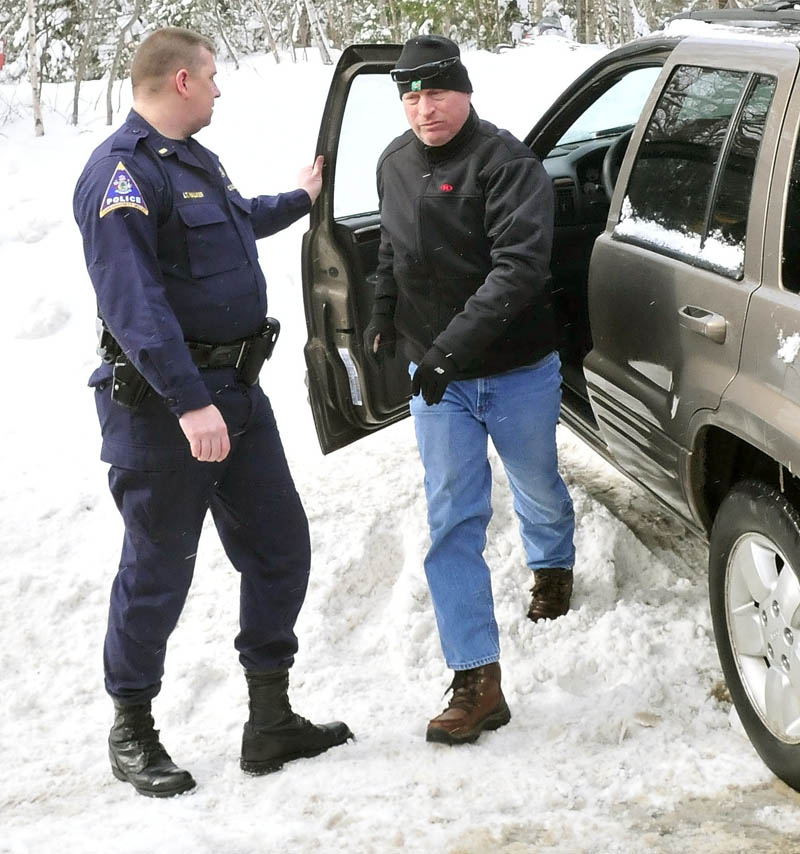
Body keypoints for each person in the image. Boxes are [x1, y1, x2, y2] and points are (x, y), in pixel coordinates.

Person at [73, 27, 352, 797]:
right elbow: (135, 308)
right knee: (158, 568)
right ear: (184, 81)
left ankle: (270, 719)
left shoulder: (192, 162)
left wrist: (300, 198)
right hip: (167, 411)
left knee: (280, 546)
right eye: (214, 75)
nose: (221, 88)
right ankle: (132, 729)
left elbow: (229, 227)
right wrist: (192, 404)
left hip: (238, 398)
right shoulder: (121, 176)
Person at [364, 35, 576, 746]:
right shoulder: (393, 163)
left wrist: (449, 348)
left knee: (535, 480)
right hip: (439, 379)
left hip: (514, 369)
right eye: (410, 96)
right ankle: (477, 679)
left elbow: (518, 272)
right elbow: (391, 248)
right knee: (452, 517)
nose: (423, 108)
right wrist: (380, 314)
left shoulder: (509, 166)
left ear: (465, 89)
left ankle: (551, 561)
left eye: (436, 92)